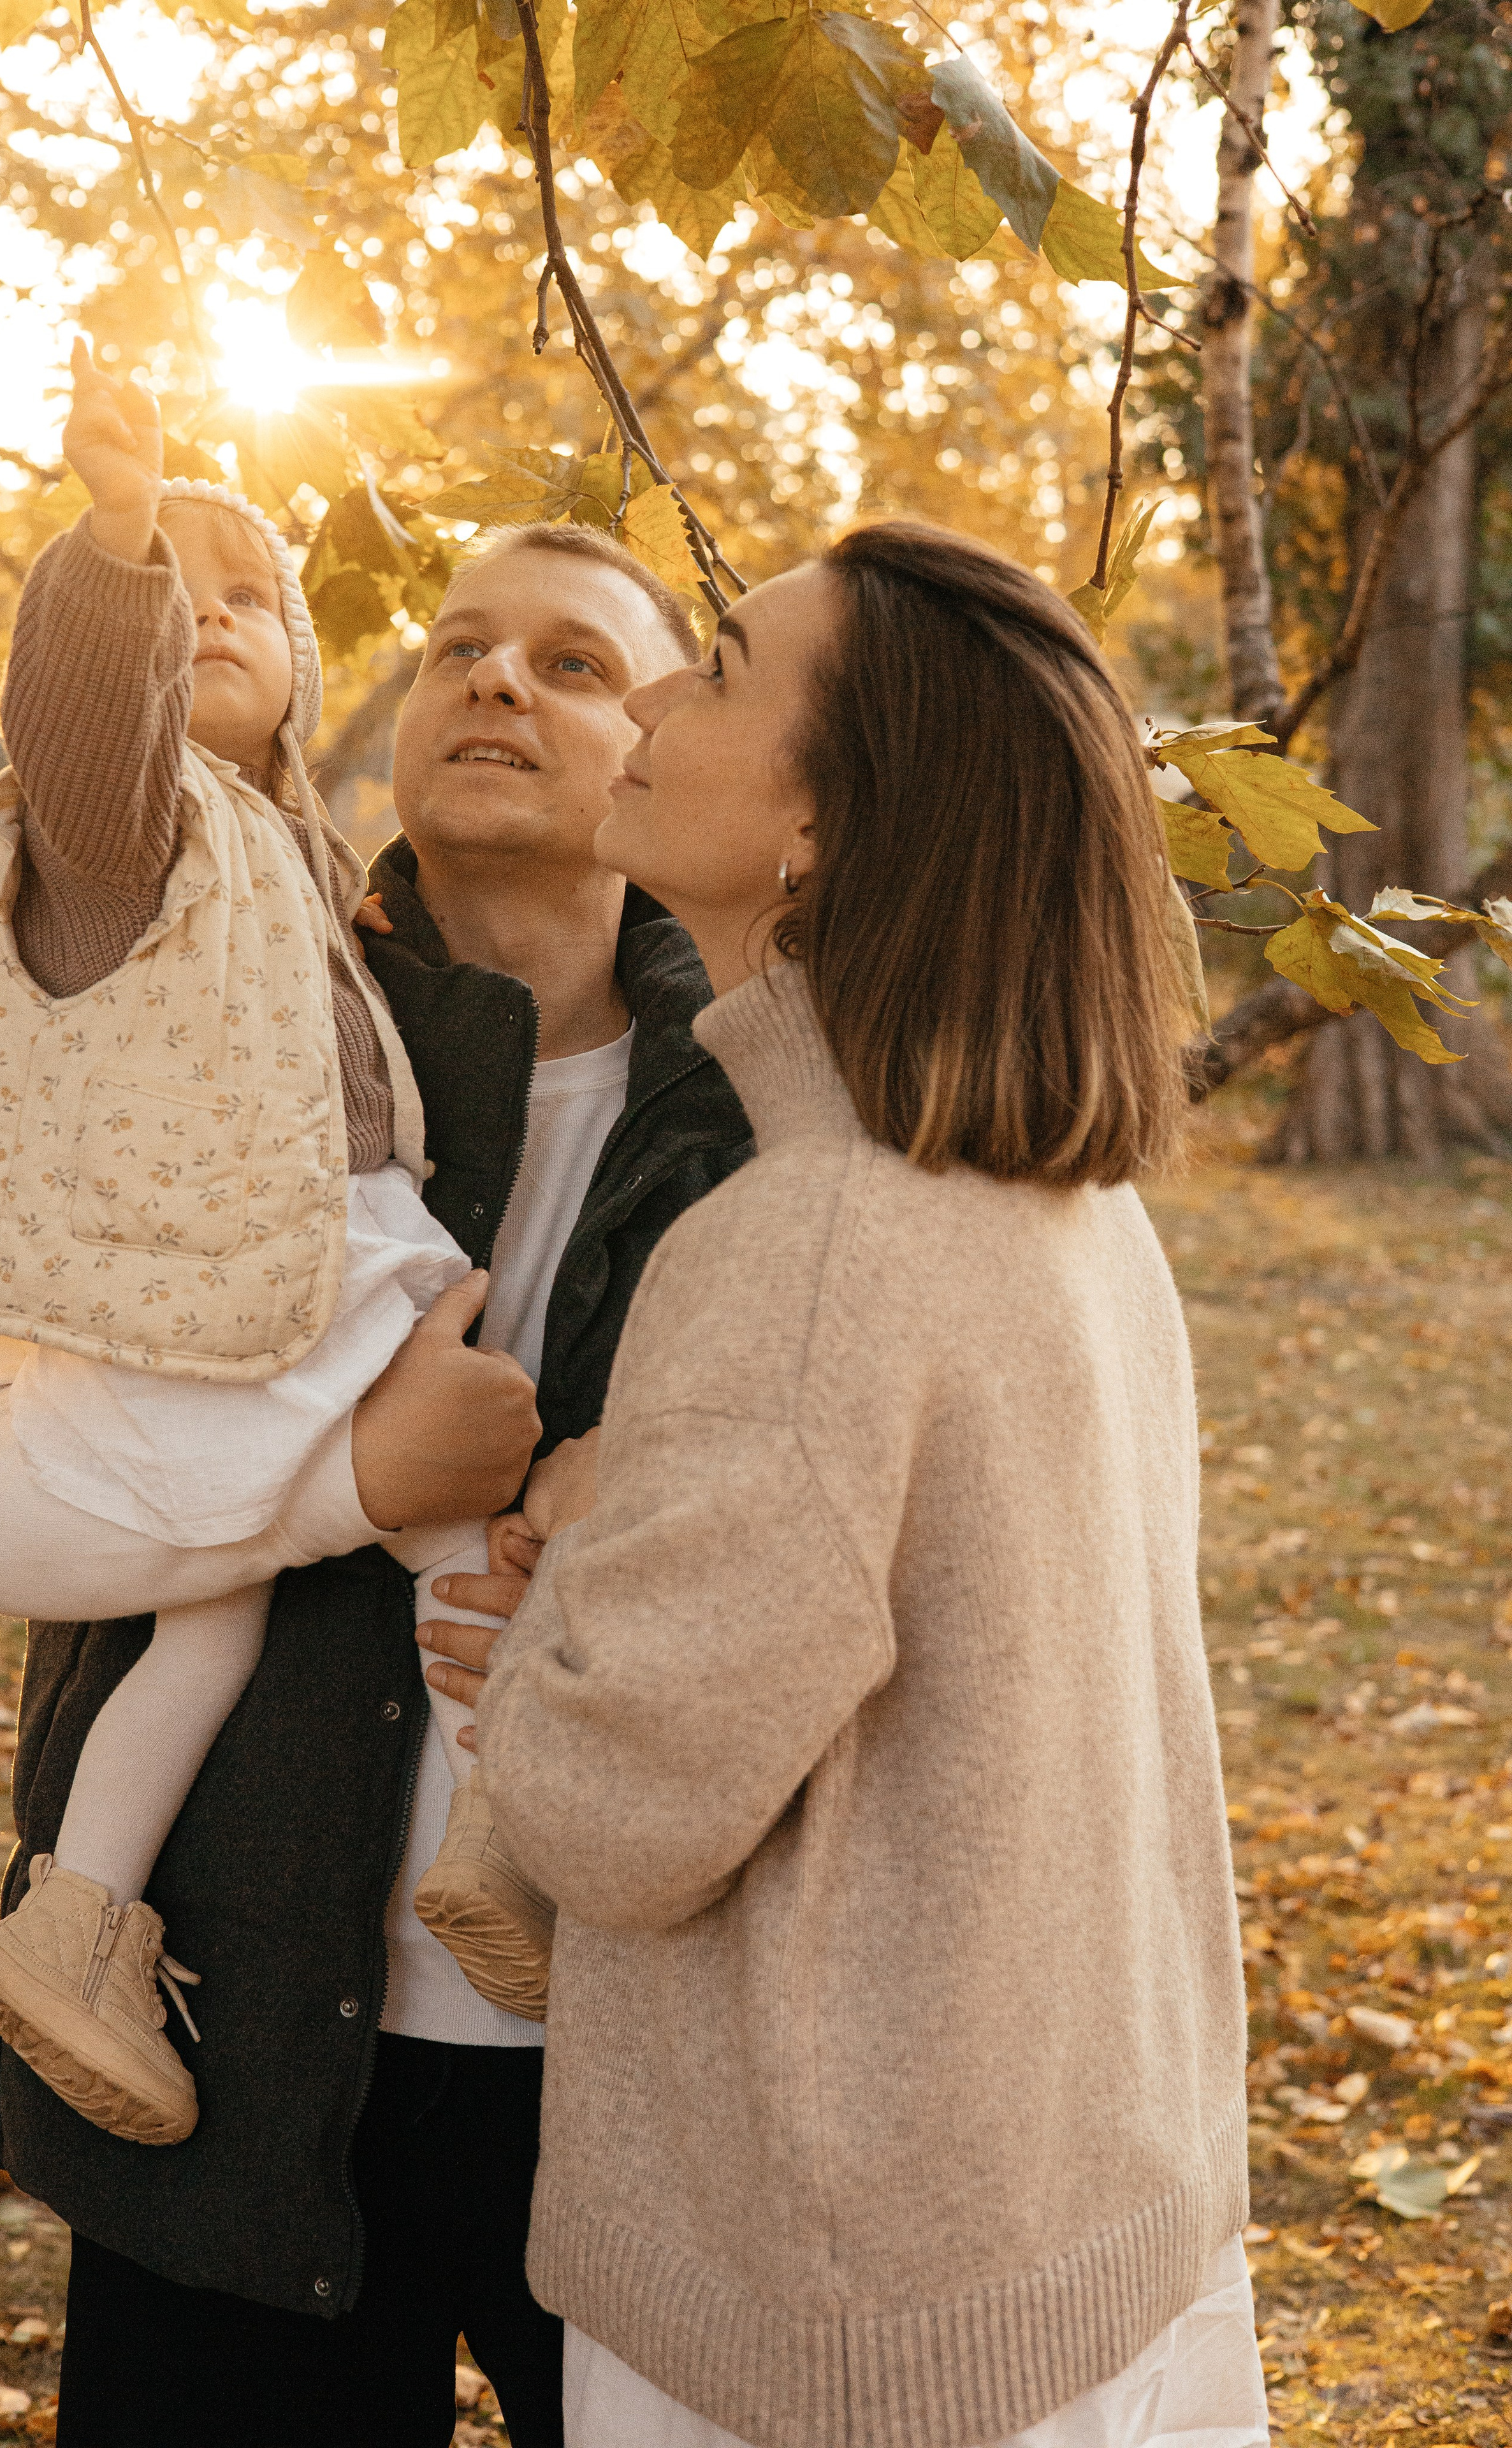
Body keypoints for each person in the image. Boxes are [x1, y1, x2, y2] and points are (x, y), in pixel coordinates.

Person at [0, 496, 752, 2444]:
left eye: (573, 661)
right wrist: (356, 1479)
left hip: (629, 2079)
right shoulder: (210, 1030)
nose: (496, 680)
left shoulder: (770, 1110)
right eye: (461, 642)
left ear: (667, 751)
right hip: (236, 2052)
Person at [473, 521, 1263, 2448]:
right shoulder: (1074, 1213)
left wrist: (553, 1593)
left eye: (720, 666)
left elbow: (609, 1815)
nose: (655, 692)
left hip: (832, 2329)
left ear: (822, 830)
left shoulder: (804, 1243)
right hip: (1092, 2236)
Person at [0, 341, 565, 2147]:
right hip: (240, 1272)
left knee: (216, 1617)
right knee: (469, 1478)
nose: (212, 620)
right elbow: (86, 733)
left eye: (248, 597)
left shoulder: (288, 842)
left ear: (306, 684)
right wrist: (118, 549)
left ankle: (79, 1921)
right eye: (178, 607)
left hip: (265, 1272)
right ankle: (520, 1834)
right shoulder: (133, 832)